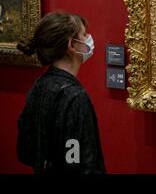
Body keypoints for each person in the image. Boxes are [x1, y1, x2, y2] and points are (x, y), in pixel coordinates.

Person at [16, 11, 105, 174]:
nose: (89, 39)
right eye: (84, 35)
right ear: (71, 45)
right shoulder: (75, 97)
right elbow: (80, 164)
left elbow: (25, 151)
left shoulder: (39, 85)